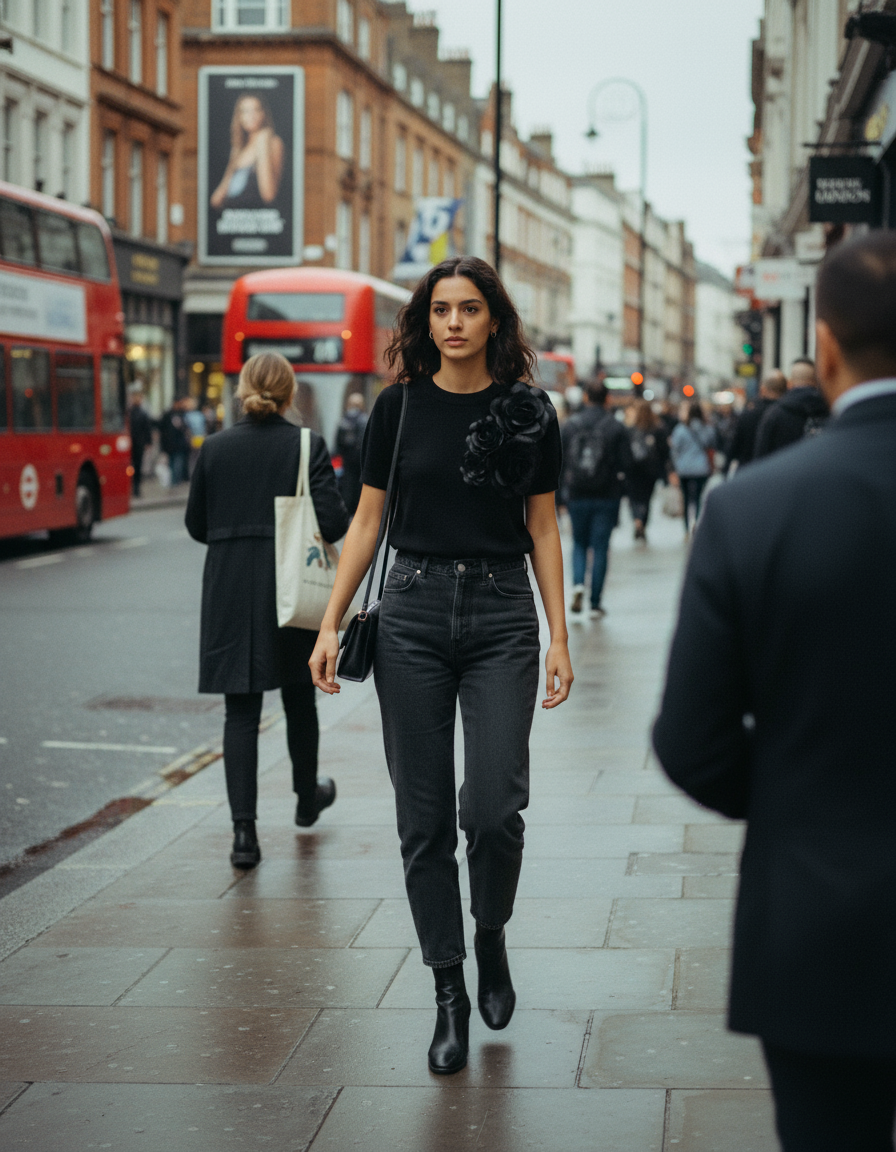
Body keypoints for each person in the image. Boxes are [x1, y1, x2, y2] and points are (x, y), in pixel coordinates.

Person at [652, 230, 896, 1152]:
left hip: (819, 921)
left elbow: (692, 741)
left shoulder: (751, 508)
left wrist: (801, 794)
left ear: (823, 348)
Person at [308, 255, 573, 1076]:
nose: (453, 322)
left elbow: (543, 527)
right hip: (412, 615)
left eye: (468, 309)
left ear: (494, 320)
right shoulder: (397, 408)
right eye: (440, 309)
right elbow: (366, 523)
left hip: (501, 613)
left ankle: (489, 931)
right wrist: (330, 621)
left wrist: (560, 636)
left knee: (493, 810)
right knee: (421, 821)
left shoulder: (529, 412)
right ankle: (448, 991)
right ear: (426, 321)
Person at [186, 352, 349, 869]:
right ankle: (306, 799)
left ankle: (244, 835)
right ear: (289, 393)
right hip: (291, 586)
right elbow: (335, 523)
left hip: (230, 589)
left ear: (242, 390)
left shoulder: (214, 448)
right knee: (300, 697)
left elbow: (196, 525)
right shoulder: (305, 445)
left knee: (240, 711)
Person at [561, 381, 633, 615]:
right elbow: (627, 463)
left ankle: (578, 584)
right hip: (606, 495)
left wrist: (560, 497)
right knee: (601, 547)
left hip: (577, 494)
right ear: (607, 398)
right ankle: (595, 602)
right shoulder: (616, 427)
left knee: (579, 543)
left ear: (585, 397)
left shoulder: (570, 426)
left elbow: (559, 462)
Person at [210, 93, 284, 209]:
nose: (251, 116)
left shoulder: (273, 143)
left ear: (263, 113)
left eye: (256, 110)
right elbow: (216, 199)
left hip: (259, 216)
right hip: (233, 216)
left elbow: (269, 196)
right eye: (245, 111)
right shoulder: (238, 149)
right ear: (239, 117)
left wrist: (262, 144)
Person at [753, 357, 828, 459]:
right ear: (816, 380)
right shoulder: (830, 411)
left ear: (790, 382)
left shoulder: (774, 414)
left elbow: (761, 455)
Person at [624, 398, 669, 541]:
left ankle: (637, 519)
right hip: (651, 469)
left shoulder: (629, 429)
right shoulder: (658, 428)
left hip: (632, 469)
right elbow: (664, 451)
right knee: (646, 498)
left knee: (633, 498)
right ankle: (643, 521)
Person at [668, 400, 715, 534]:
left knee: (686, 498)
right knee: (698, 498)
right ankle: (697, 522)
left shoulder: (680, 429)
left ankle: (686, 527)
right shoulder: (707, 428)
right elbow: (711, 445)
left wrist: (673, 467)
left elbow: (674, 450)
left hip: (684, 469)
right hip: (701, 468)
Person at [726, 370, 786, 473]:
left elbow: (735, 444)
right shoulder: (788, 413)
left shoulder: (749, 412)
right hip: (779, 472)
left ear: (763, 389)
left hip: (748, 470)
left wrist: (725, 468)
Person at [334, 392, 368, 515]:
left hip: (347, 462)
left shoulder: (343, 421)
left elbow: (337, 445)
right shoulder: (365, 420)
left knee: (347, 487)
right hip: (361, 463)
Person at [127, 385, 154, 498]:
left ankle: (136, 488)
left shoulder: (143, 413)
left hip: (139, 443)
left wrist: (148, 442)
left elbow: (147, 429)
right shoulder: (128, 412)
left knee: (137, 465)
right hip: (129, 443)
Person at [159, 399, 190, 486]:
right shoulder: (168, 415)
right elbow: (162, 430)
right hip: (170, 444)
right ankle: (173, 481)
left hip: (179, 444)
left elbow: (185, 429)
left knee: (177, 463)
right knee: (172, 463)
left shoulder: (182, 414)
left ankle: (175, 481)